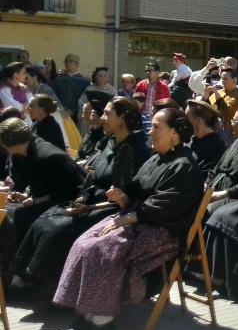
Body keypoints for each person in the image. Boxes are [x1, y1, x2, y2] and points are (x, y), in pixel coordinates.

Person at [52, 107, 204, 330]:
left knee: (103, 250)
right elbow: (136, 188)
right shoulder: (157, 158)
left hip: (164, 230)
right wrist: (123, 197)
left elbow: (165, 206)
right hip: (139, 219)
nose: (150, 131)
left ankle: (102, 321)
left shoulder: (185, 164)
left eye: (156, 126)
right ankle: (86, 313)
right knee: (84, 242)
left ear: (174, 133)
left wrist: (127, 217)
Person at [12, 98, 150, 293]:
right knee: (45, 219)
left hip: (110, 208)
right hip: (91, 198)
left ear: (124, 118)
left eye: (108, 114)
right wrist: (81, 198)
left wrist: (89, 207)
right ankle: (23, 276)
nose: (103, 118)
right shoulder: (109, 141)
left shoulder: (137, 149)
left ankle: (56, 288)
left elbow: (130, 195)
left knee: (58, 230)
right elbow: (92, 176)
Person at [0, 117, 82, 275]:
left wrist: (38, 199)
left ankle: (16, 270)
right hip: (46, 201)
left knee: (11, 219)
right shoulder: (25, 153)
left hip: (63, 205)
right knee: (4, 210)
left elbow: (72, 191)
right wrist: (27, 195)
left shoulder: (49, 156)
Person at [199, 107, 238, 299]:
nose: (231, 123)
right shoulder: (235, 143)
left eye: (235, 120)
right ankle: (193, 266)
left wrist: (218, 195)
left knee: (209, 213)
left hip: (233, 195)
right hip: (215, 188)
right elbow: (217, 168)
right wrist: (207, 185)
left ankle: (216, 276)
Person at [185, 99, 227, 173]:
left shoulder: (217, 147)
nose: (184, 121)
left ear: (197, 120)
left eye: (186, 118)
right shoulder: (190, 141)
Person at [206, 67, 238, 132]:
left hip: (227, 132)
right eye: (221, 78)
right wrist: (206, 94)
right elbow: (207, 106)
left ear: (234, 80)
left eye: (225, 79)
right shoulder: (220, 91)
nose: (222, 81)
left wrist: (216, 93)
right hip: (212, 128)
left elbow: (225, 110)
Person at [77, 67, 116, 133]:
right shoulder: (89, 89)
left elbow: (115, 105)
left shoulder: (112, 90)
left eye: (105, 76)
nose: (102, 78)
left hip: (105, 116)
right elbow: (81, 103)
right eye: (100, 75)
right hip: (90, 117)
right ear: (95, 77)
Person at [53, 54, 90, 119]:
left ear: (77, 64)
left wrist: (73, 111)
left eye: (70, 61)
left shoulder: (85, 81)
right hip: (61, 114)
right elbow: (55, 96)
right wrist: (63, 110)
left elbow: (84, 99)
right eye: (66, 61)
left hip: (79, 114)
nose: (67, 63)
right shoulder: (59, 80)